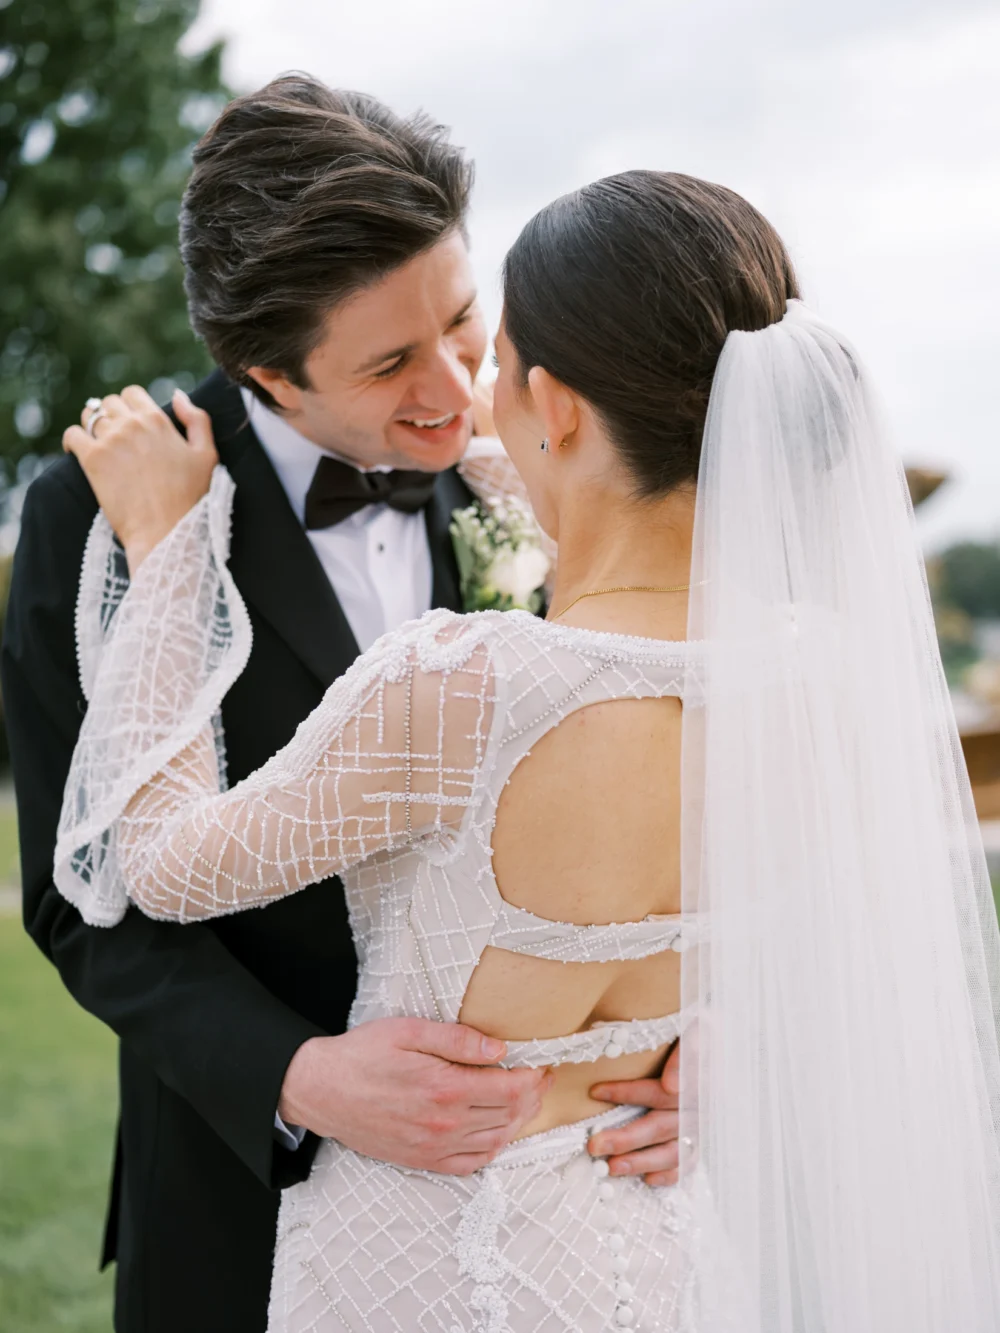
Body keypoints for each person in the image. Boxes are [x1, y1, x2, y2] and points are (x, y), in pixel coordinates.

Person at [56, 170, 1000, 1332]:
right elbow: (827, 950)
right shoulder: (816, 673)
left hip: (416, 1274)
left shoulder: (462, 681)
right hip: (656, 1256)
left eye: (481, 349)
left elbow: (152, 860)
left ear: (550, 404)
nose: (460, 394)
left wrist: (164, 555)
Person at [1, 78, 681, 1333]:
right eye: (390, 362)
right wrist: (299, 1077)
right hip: (235, 1195)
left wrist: (674, 1043)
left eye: (465, 323)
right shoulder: (93, 513)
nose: (454, 388)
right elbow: (77, 889)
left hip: (536, 1196)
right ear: (265, 366)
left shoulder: (526, 475)